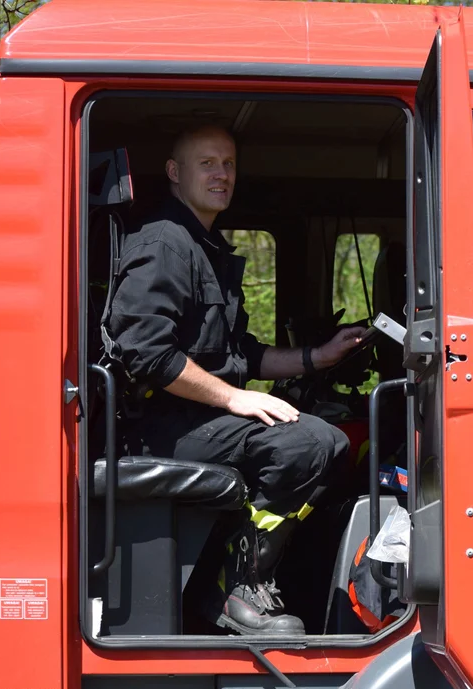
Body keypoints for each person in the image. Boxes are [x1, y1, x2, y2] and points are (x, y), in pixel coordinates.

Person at [104, 125, 366, 636]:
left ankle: (234, 580)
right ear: (175, 173)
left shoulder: (205, 247)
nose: (221, 174)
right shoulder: (165, 242)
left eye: (228, 164)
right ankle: (234, 588)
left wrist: (319, 357)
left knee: (327, 439)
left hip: (195, 417)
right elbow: (144, 351)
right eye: (207, 163)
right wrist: (234, 398)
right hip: (160, 425)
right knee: (310, 444)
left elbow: (239, 354)